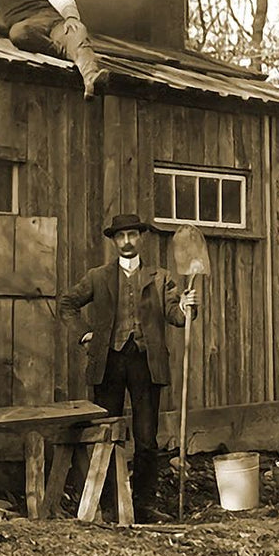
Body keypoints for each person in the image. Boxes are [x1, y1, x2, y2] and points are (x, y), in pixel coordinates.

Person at [58, 214, 197, 523]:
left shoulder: (159, 277)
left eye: (132, 235)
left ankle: (144, 506)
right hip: (108, 363)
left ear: (141, 237)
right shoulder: (98, 277)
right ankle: (109, 506)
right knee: (106, 436)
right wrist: (84, 334)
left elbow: (176, 316)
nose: (127, 242)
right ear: (113, 241)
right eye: (121, 237)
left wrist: (187, 307)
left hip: (147, 364)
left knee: (147, 439)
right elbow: (67, 303)